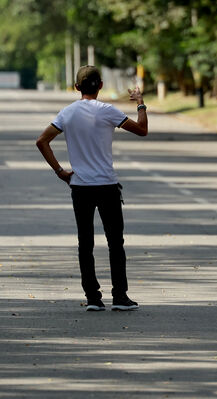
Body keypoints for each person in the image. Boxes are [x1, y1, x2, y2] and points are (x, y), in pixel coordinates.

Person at [36, 65, 148, 312]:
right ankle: (120, 297)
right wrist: (140, 104)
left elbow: (42, 141)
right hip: (107, 185)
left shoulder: (67, 113)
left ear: (77, 87)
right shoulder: (107, 111)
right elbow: (142, 130)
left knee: (85, 243)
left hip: (81, 187)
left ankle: (93, 299)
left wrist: (60, 172)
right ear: (100, 86)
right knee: (115, 243)